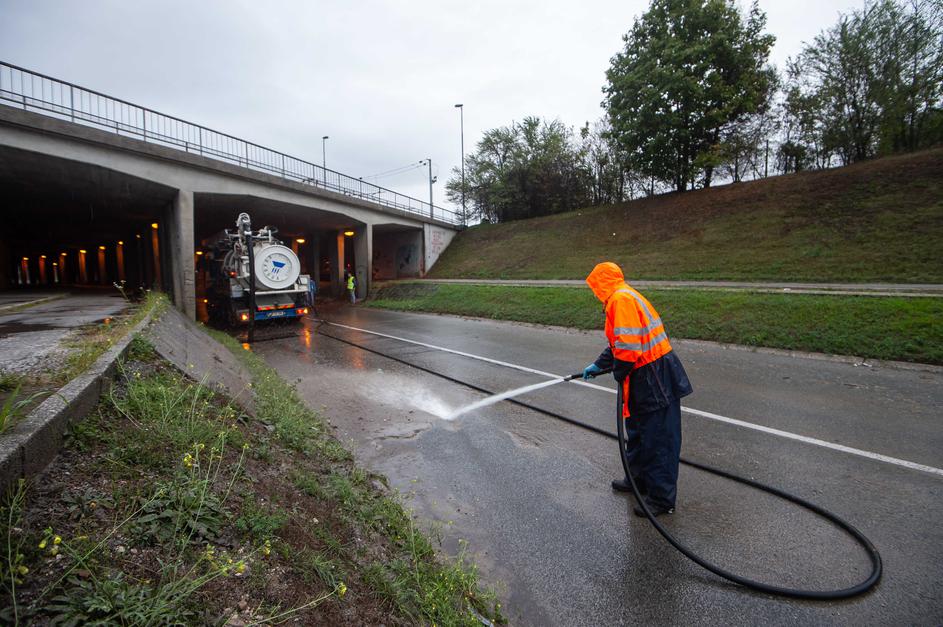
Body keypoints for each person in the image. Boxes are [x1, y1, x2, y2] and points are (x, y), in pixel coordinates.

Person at [582, 262, 692, 517]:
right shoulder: (622, 296)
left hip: (654, 376)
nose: (594, 292)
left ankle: (662, 499)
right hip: (645, 374)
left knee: (658, 438)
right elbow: (621, 343)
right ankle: (638, 480)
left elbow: (629, 349)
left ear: (601, 283)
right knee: (639, 432)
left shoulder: (620, 300)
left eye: (594, 286)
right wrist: (599, 365)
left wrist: (619, 371)